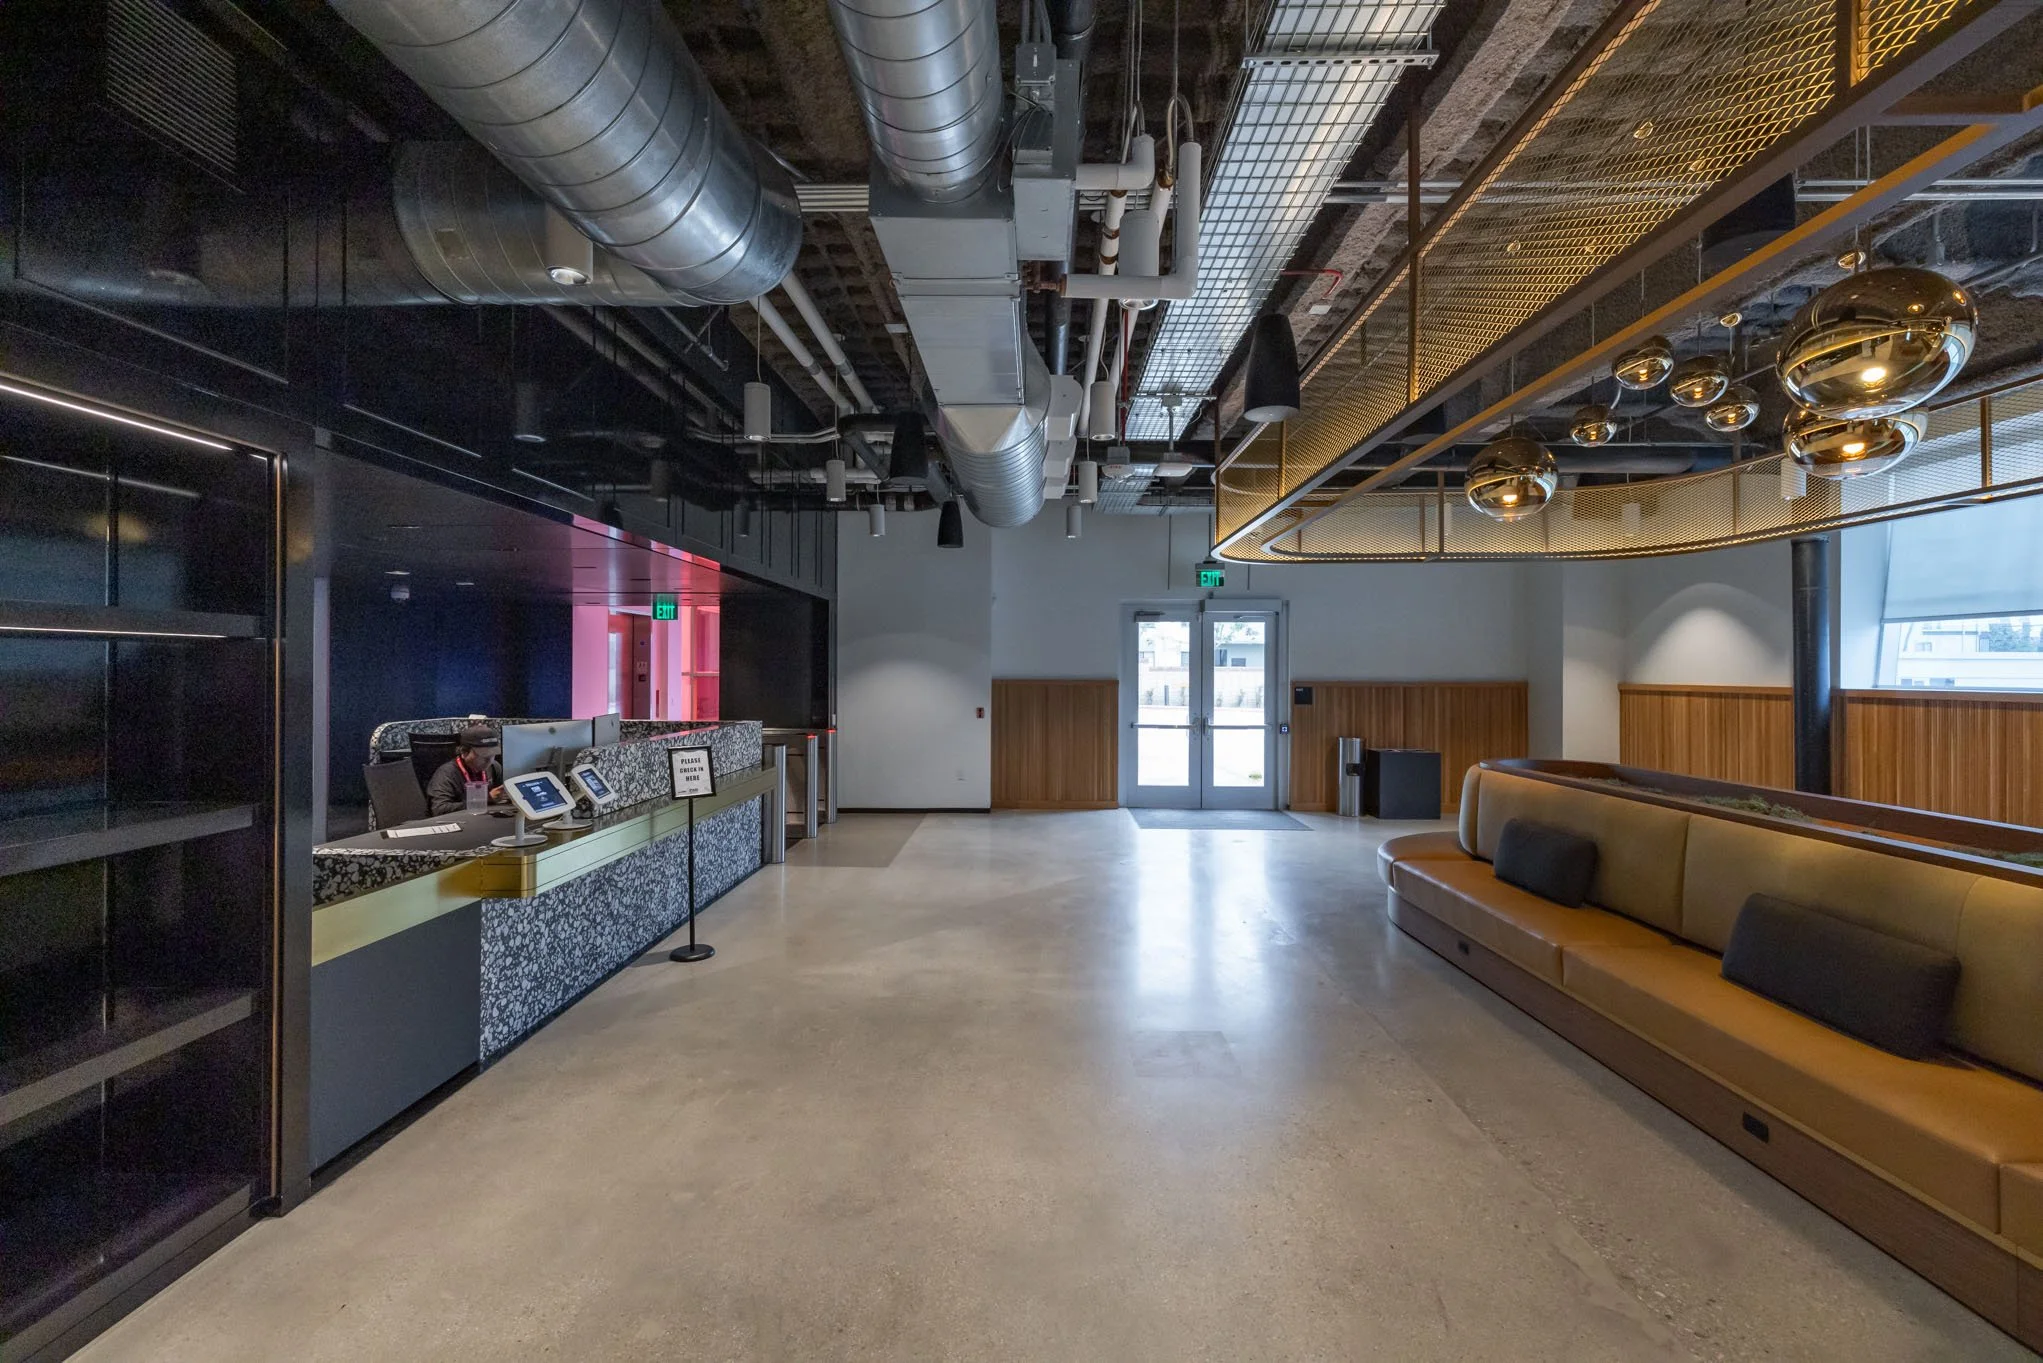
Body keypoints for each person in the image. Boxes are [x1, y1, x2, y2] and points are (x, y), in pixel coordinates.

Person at [425, 725, 505, 815]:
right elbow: (439, 809)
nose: (489, 760)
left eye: (493, 753)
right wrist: (486, 799)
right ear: (464, 752)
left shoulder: (494, 767)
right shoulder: (447, 774)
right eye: (483, 755)